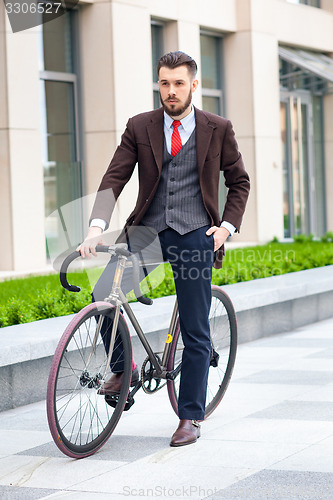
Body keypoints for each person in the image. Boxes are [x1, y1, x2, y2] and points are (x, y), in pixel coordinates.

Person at [77, 51, 250, 447]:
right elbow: (114, 178)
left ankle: (190, 415)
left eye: (177, 83)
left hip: (195, 234)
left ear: (193, 84)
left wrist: (225, 227)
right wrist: (95, 227)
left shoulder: (217, 128)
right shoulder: (140, 126)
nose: (170, 91)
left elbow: (239, 182)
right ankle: (124, 369)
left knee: (195, 326)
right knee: (103, 295)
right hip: (147, 231)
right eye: (164, 83)